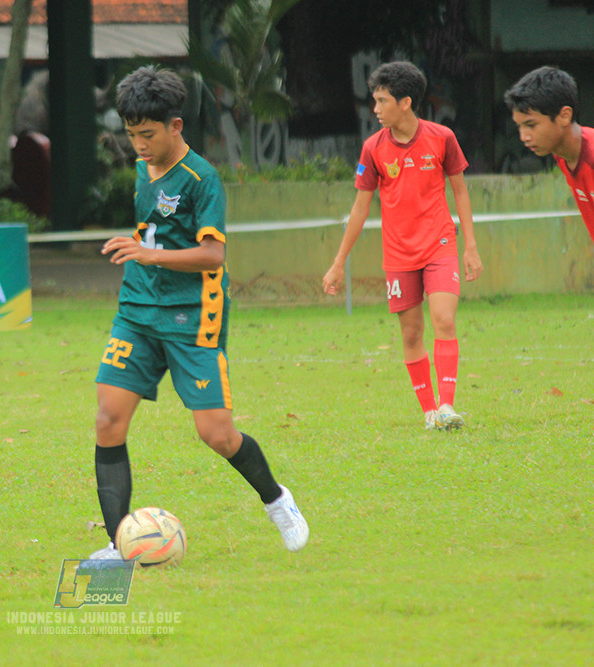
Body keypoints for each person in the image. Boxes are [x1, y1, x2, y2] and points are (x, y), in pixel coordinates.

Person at [90, 66, 308, 559]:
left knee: (217, 434)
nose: (139, 145)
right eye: (132, 134)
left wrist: (150, 255)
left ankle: (277, 500)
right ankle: (117, 544)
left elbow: (213, 256)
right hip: (137, 310)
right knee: (107, 420)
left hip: (193, 315)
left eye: (148, 134)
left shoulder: (201, 179)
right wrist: (144, 257)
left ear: (176, 126)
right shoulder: (143, 168)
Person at [322, 61, 483, 431]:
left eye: (382, 101)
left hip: (440, 245)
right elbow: (360, 208)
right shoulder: (373, 149)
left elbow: (460, 191)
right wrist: (338, 262)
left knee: (444, 319)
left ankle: (447, 405)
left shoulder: (442, 138)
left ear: (406, 102)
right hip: (398, 254)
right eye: (375, 101)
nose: (375, 109)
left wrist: (471, 246)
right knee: (411, 334)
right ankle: (429, 413)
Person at [504, 66, 594, 242]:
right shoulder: (561, 154)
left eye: (531, 125)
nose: (523, 137)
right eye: (519, 126)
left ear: (564, 116)